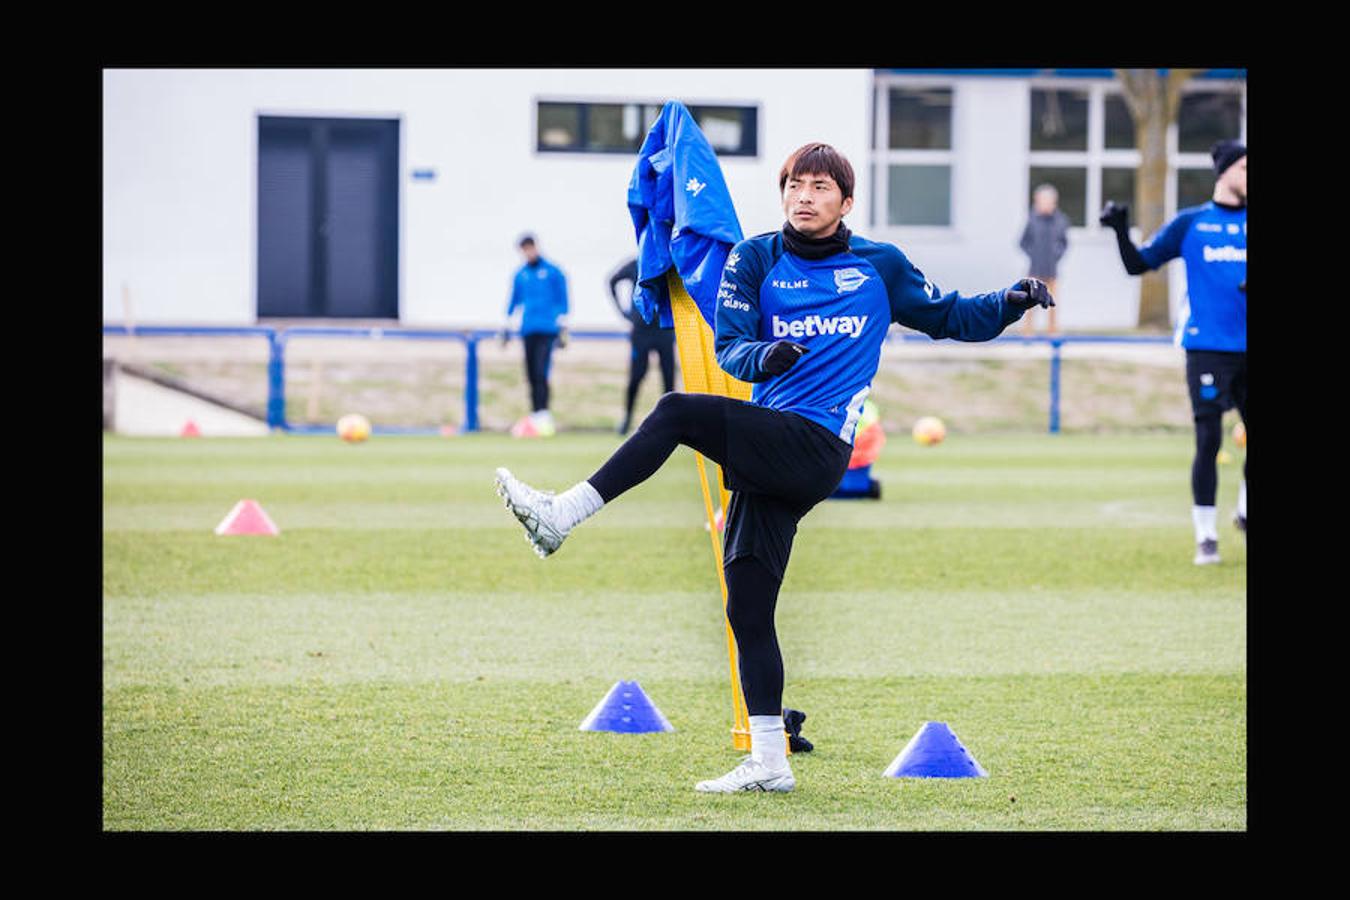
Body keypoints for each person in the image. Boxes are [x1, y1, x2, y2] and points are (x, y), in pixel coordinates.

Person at [494, 143, 1053, 793]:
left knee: (675, 411)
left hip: (816, 447)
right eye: (794, 185)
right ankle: (769, 762)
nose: (804, 196)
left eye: (820, 187)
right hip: (771, 444)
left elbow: (952, 315)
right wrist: (766, 356)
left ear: (847, 202)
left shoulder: (880, 265)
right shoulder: (754, 258)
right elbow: (731, 347)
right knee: (748, 610)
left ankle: (563, 514)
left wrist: (1011, 300)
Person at [1100, 140, 1246, 565]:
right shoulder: (1191, 223)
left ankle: (1244, 509)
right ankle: (1206, 536)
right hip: (1207, 347)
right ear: (1224, 172)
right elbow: (1138, 265)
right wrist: (1120, 231)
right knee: (1209, 439)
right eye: (1244, 168)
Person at [505, 234, 569, 435]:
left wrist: (562, 324)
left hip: (548, 329)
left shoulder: (553, 271)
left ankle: (544, 414)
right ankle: (535, 414)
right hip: (528, 328)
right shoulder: (521, 274)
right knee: (531, 373)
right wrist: (507, 325)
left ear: (535, 247)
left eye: (529, 248)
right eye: (524, 250)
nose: (528, 253)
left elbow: (563, 299)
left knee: (542, 372)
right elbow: (514, 301)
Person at [609, 257, 677, 435]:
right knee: (636, 376)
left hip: (664, 328)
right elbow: (612, 280)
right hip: (641, 331)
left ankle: (671, 422)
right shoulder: (635, 264)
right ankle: (627, 419)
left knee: (668, 376)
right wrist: (623, 312)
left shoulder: (668, 263)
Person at [1018, 184, 1070, 336]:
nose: (1045, 203)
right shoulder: (1032, 220)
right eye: (1042, 200)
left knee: (1052, 302)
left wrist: (1056, 256)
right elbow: (1023, 242)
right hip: (1034, 270)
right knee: (1029, 301)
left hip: (1052, 270)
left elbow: (1064, 243)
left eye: (1048, 200)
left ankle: (1052, 331)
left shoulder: (1061, 220)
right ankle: (1027, 332)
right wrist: (1033, 255)